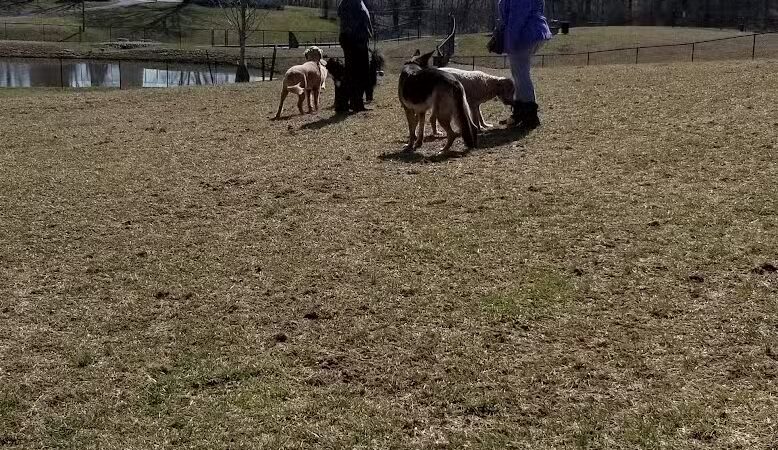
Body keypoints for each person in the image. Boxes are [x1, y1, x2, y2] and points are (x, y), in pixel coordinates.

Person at [497, 0, 552, 129]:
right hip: (528, 32)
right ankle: (521, 112)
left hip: (524, 34)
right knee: (519, 75)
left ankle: (529, 115)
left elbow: (517, 16)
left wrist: (510, 42)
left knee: (521, 75)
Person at [337, 0, 373, 113]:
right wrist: (359, 37)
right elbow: (352, 21)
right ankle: (352, 103)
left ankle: (348, 103)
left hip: (355, 40)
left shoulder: (353, 2)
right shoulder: (352, 2)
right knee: (357, 73)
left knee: (353, 73)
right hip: (355, 41)